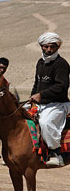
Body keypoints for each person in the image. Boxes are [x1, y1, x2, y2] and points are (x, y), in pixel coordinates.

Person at [30, 32, 70, 167]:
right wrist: (32, 98)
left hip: (58, 104)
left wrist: (41, 95)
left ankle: (56, 153)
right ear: (41, 46)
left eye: (52, 47)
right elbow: (37, 83)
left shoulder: (61, 64)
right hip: (41, 103)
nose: (48, 50)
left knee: (46, 123)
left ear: (57, 47)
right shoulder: (40, 63)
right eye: (45, 47)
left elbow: (61, 86)